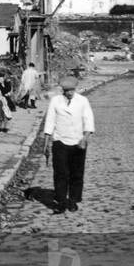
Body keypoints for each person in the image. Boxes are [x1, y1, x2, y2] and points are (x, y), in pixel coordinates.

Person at [42, 76, 95, 214]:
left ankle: (73, 200)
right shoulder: (55, 101)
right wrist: (46, 141)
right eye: (67, 90)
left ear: (75, 89)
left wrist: (85, 137)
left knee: (76, 172)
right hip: (60, 141)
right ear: (63, 90)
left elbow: (89, 120)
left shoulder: (83, 101)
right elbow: (50, 121)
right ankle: (61, 201)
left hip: (78, 142)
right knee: (60, 172)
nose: (70, 93)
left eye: (72, 90)